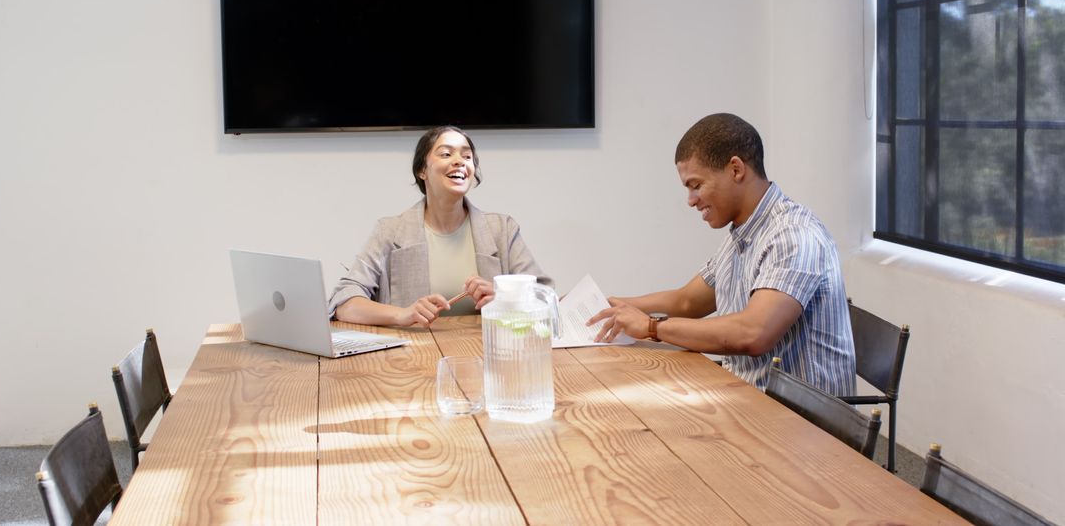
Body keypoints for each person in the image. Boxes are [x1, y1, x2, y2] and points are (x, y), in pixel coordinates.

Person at [588, 113, 856, 395]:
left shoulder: (794, 235)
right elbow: (688, 301)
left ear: (736, 169)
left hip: (802, 424)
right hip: (749, 397)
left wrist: (652, 327)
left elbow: (753, 333)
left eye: (696, 185)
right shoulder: (742, 233)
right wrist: (612, 307)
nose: (691, 201)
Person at [329, 125, 552, 328]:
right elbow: (344, 302)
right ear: (422, 170)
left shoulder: (502, 229)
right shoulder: (389, 230)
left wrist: (505, 300)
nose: (460, 161)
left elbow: (546, 297)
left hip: (486, 354)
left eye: (467, 156)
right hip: (408, 360)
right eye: (446, 154)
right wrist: (402, 314)